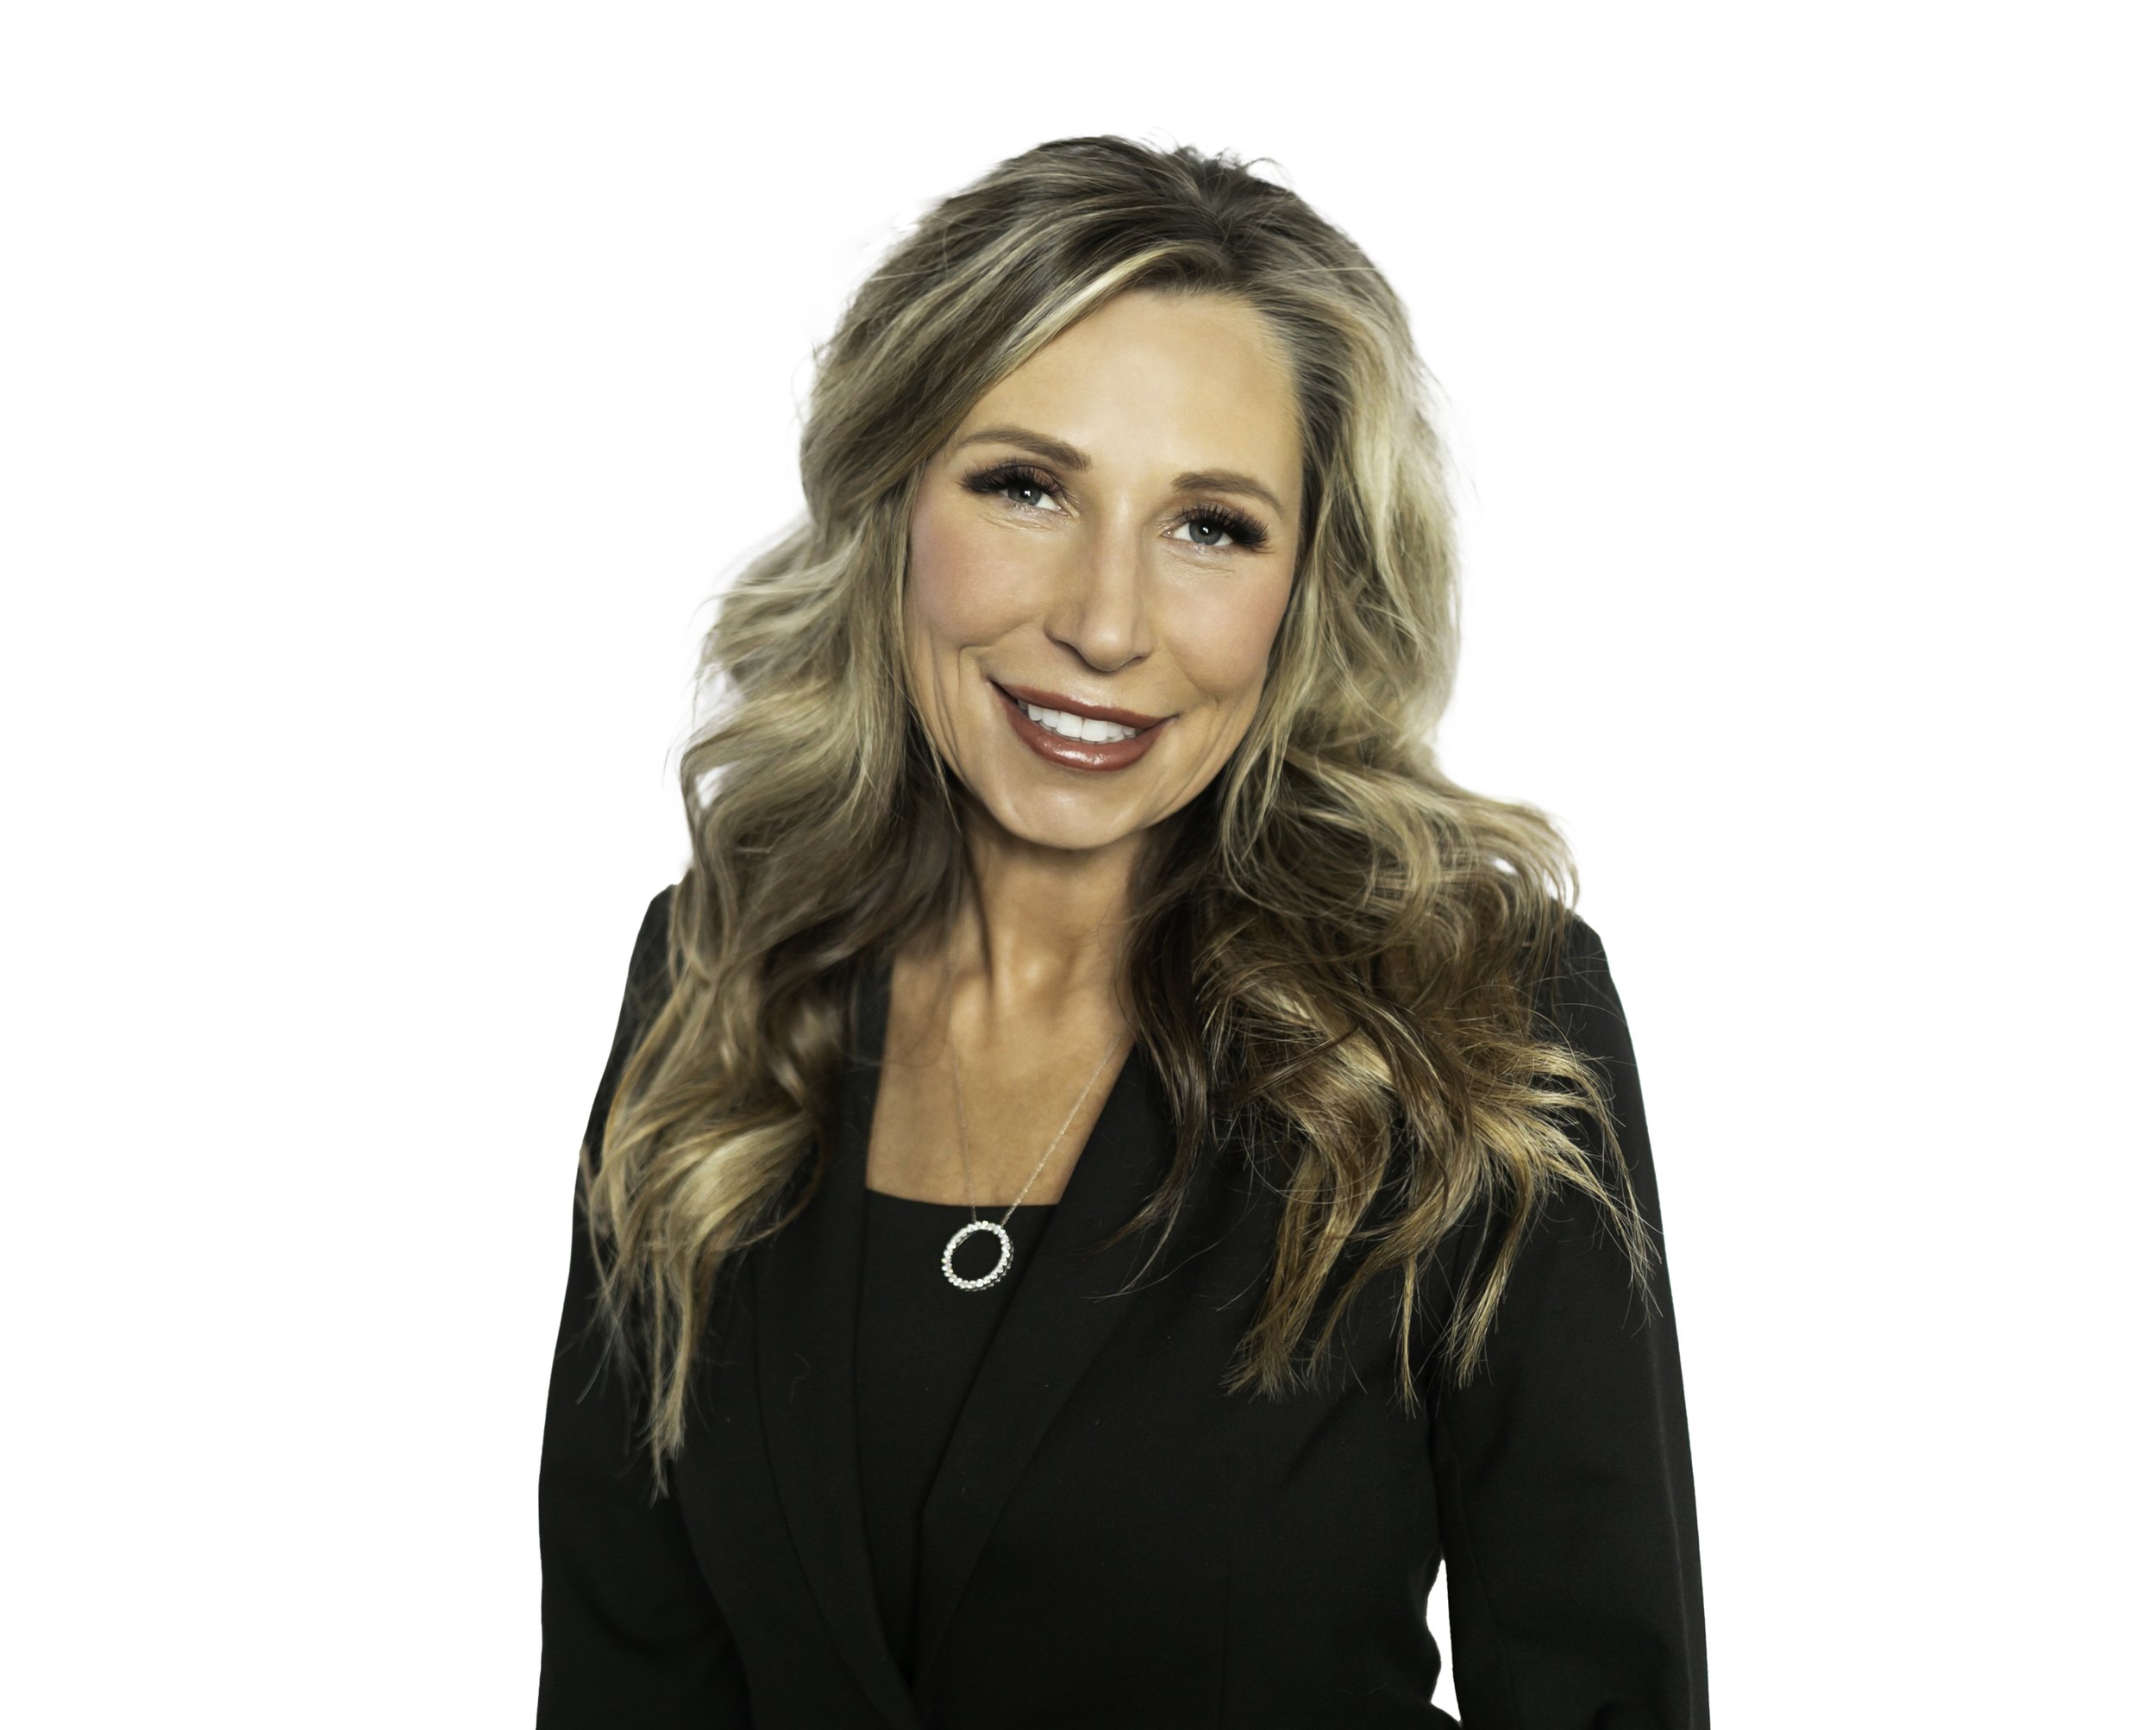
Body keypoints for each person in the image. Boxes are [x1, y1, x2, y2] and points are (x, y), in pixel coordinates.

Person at [537, 135, 1708, 1728]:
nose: (1103, 622)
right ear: (894, 507)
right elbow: (629, 1676)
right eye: (1026, 486)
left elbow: (1600, 1692)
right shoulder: (717, 976)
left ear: (1307, 586)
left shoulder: (1479, 1013)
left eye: (1211, 525)